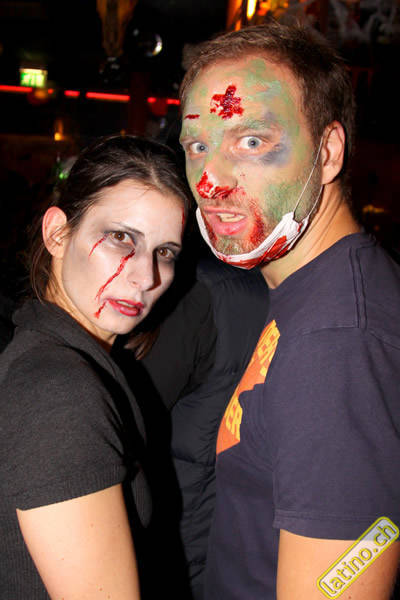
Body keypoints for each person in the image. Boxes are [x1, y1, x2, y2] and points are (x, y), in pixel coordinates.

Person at [178, 20, 400, 599]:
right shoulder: (312, 291)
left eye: (251, 142)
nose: (210, 182)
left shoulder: (337, 344)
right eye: (198, 145)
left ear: (327, 153)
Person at [0, 134, 192, 599]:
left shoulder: (59, 358)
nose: (146, 277)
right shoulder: (58, 389)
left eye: (165, 252)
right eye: (122, 238)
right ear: (57, 233)